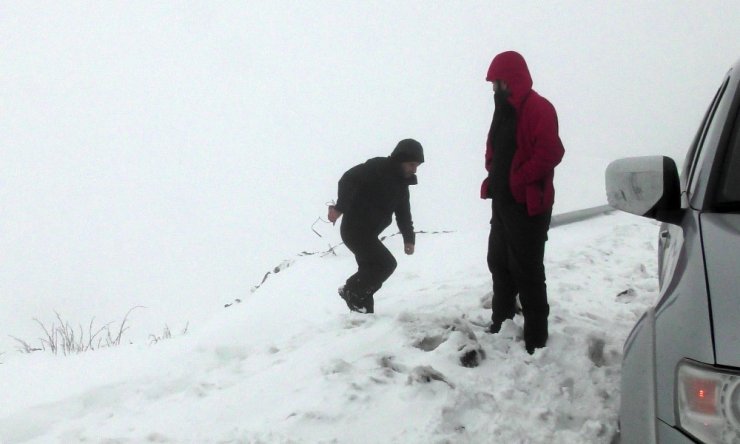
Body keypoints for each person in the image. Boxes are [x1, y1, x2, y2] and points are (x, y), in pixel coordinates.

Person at [480, 51, 564, 354]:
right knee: (498, 262)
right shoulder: (503, 110)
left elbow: (551, 152)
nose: (493, 89)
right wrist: (494, 176)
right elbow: (496, 150)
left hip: (528, 205)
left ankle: (536, 338)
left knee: (526, 269)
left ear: (510, 80)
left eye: (497, 82)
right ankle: (501, 321)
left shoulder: (539, 108)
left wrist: (518, 179)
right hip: (502, 201)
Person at [328, 139, 424, 314]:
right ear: (400, 159)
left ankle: (363, 316)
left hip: (369, 234)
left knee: (370, 273)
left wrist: (409, 239)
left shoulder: (402, 187)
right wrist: (340, 207)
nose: (414, 169)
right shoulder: (378, 167)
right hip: (355, 230)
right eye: (411, 164)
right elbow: (348, 179)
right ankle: (350, 290)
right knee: (386, 264)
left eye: (417, 166)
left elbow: (403, 215)